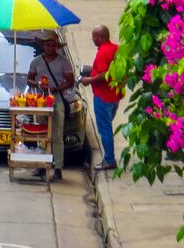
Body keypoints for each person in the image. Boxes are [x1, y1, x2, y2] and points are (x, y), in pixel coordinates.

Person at [27, 33, 77, 181]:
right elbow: (29, 79)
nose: (50, 47)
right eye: (47, 45)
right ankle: (41, 165)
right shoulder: (36, 61)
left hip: (57, 101)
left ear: (56, 47)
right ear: (43, 46)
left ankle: (58, 167)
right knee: (41, 133)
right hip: (41, 102)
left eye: (53, 45)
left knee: (56, 135)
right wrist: (38, 84)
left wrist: (57, 88)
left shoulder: (64, 62)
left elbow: (70, 81)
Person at [79, 25, 121, 171]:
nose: (92, 40)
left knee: (104, 129)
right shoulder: (115, 49)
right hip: (115, 96)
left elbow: (104, 75)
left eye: (94, 37)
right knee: (107, 126)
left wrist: (88, 80)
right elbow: (111, 70)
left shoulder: (103, 52)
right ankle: (109, 157)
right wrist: (92, 70)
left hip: (103, 97)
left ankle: (109, 160)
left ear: (101, 37)